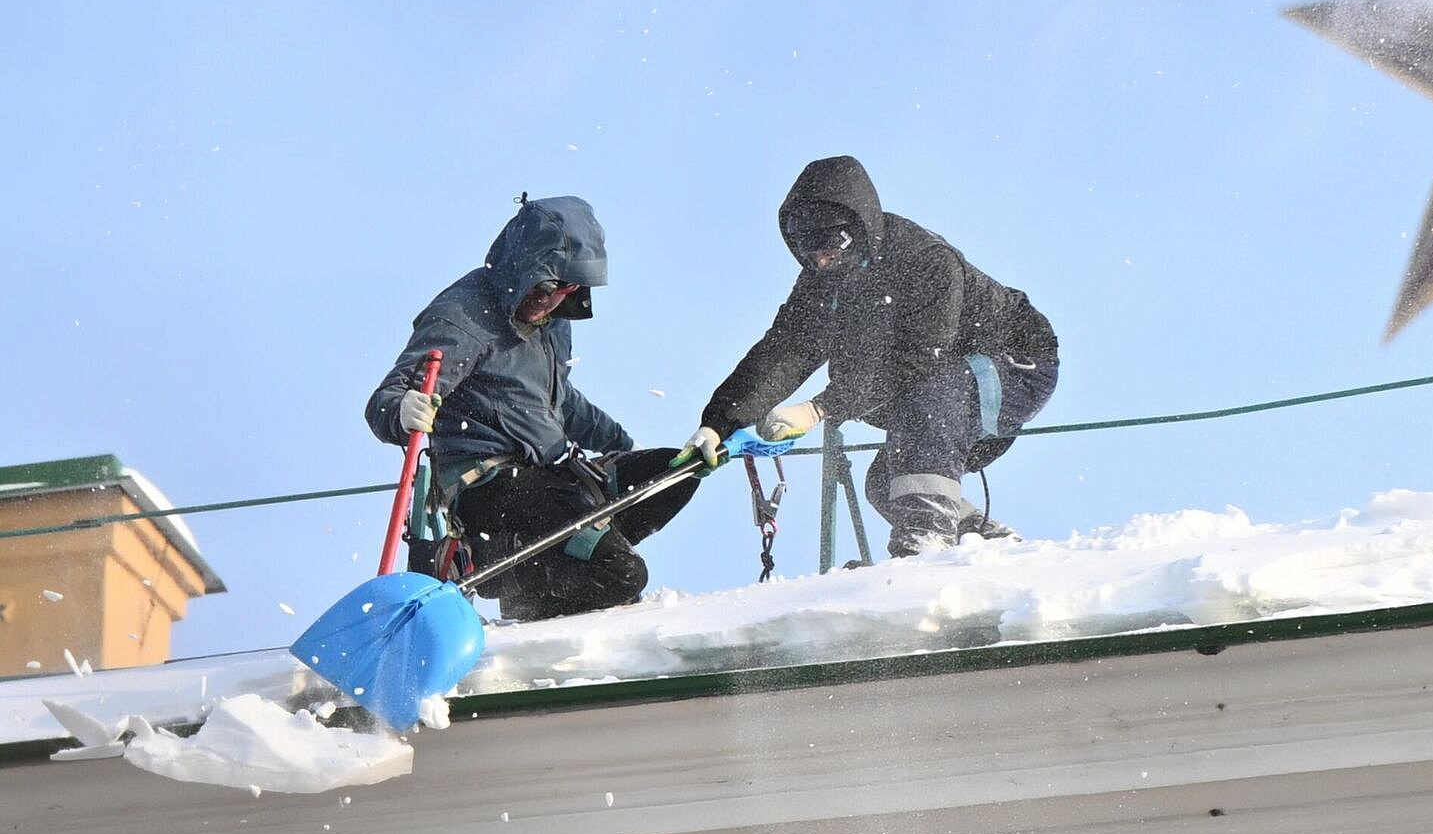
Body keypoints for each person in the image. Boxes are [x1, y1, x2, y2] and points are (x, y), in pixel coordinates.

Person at [681, 156, 1058, 557]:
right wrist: (719, 422)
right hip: (937, 385)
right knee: (885, 483)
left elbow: (919, 361)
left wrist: (819, 408)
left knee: (931, 392)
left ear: (859, 229)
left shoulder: (924, 260)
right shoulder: (821, 284)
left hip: (1017, 365)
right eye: (809, 251)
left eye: (833, 246)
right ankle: (986, 547)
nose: (822, 260)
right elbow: (784, 351)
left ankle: (924, 546)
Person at [366, 195, 692, 621]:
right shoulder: (462, 316)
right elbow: (387, 400)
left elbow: (559, 402)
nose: (551, 299)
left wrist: (622, 444)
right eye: (544, 285)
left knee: (675, 473)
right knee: (624, 574)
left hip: (552, 478)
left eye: (567, 288)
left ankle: (558, 573)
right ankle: (500, 571)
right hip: (490, 487)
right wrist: (401, 409)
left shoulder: (552, 322)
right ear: (522, 270)